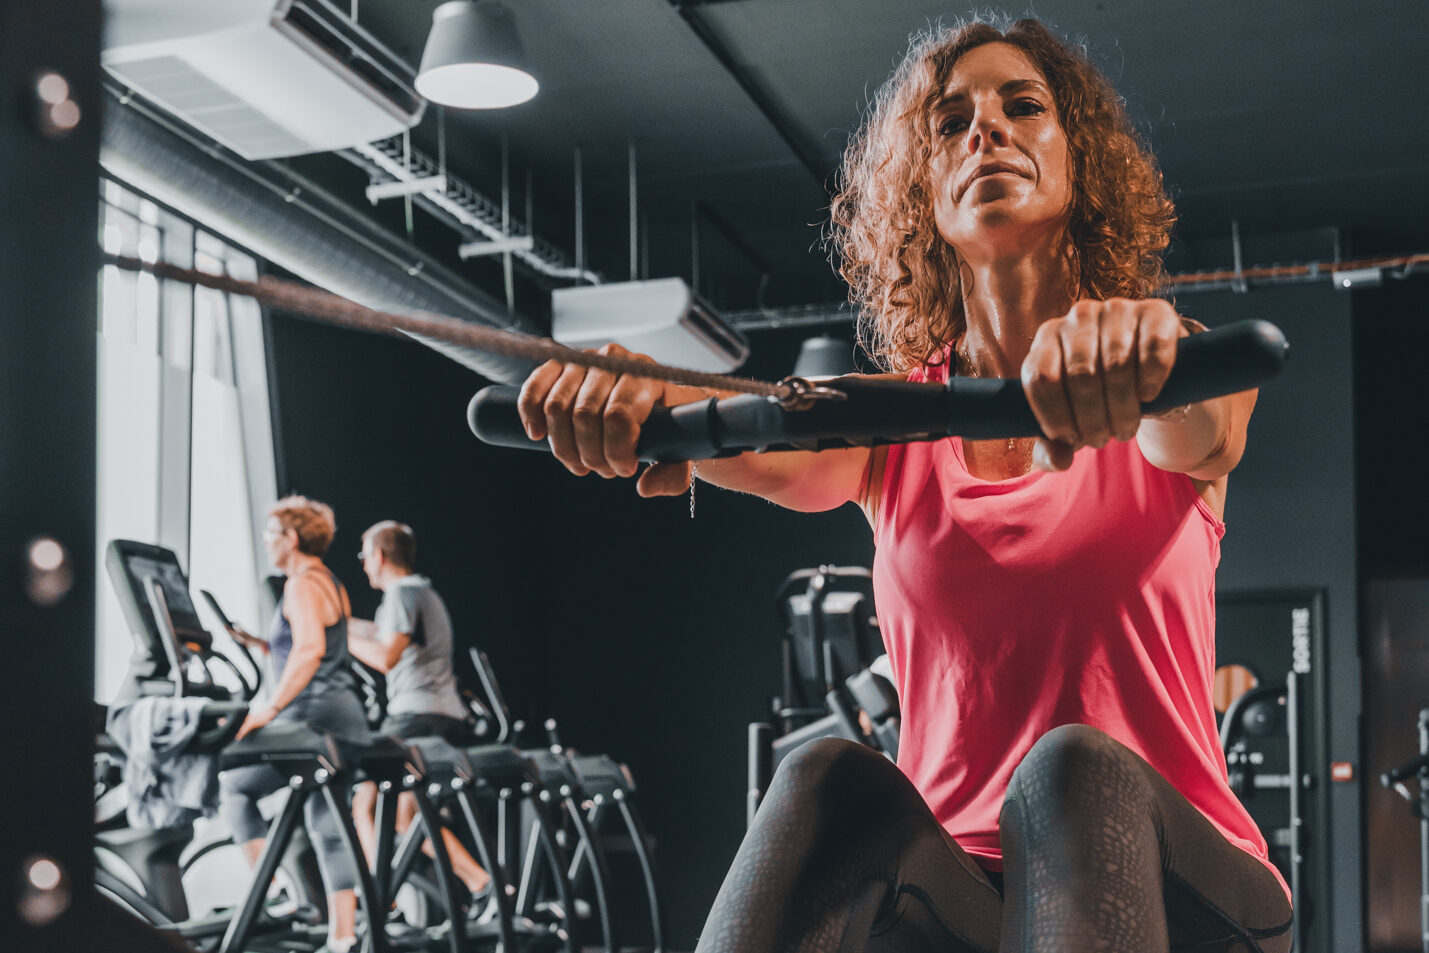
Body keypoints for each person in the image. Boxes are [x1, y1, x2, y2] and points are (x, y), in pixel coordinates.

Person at [515, 15, 1291, 953]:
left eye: (1023, 107)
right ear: (925, 190)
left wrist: (1139, 358)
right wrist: (638, 397)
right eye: (950, 120)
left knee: (1069, 769)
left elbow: (1203, 431)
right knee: (825, 777)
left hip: (1189, 896)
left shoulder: (1173, 368)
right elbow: (755, 434)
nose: (985, 130)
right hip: (965, 899)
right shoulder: (894, 423)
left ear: (1076, 159)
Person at [218, 496, 369, 953]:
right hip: (345, 715)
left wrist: (268, 709)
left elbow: (308, 651)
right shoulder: (330, 583)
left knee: (235, 785)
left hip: (312, 712)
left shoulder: (301, 584)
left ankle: (278, 891)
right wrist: (260, 643)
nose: (266, 542)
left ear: (292, 538)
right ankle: (342, 939)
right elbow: (311, 643)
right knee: (327, 823)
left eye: (270, 534)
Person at [346, 520, 490, 899]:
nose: (363, 565)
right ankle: (483, 885)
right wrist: (335, 623)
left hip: (415, 715)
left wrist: (338, 636)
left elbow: (385, 656)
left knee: (366, 802)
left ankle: (381, 903)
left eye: (364, 556)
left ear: (378, 555)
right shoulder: (423, 593)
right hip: (442, 713)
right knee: (408, 815)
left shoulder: (401, 595)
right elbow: (379, 634)